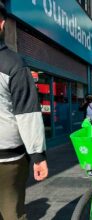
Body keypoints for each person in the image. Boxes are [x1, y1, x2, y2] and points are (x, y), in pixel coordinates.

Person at [0, 3, 48, 219]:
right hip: (8, 159)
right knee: (12, 212)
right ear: (2, 24)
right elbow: (27, 113)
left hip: (8, 156)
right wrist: (38, 155)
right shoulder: (13, 63)